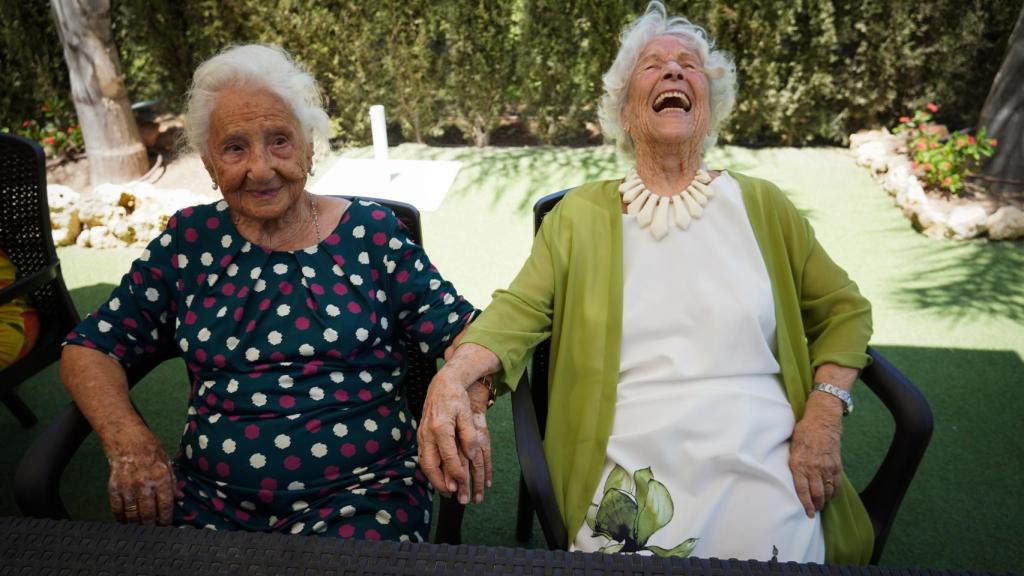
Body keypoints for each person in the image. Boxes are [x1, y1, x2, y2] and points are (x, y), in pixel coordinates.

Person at [418, 2, 873, 564]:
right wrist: (455, 376)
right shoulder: (579, 216)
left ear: (709, 107)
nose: (674, 71)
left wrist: (824, 413)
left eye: (688, 64)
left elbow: (844, 309)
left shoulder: (763, 206)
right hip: (629, 454)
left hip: (763, 448)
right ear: (626, 114)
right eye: (652, 66)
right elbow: (519, 310)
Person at [61, 44, 480, 542]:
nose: (260, 169)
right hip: (209, 500)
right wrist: (127, 436)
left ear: (309, 147)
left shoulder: (370, 232)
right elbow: (89, 348)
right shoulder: (188, 242)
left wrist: (454, 384)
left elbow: (468, 331)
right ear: (210, 165)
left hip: (364, 495)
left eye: (280, 141)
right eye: (234, 148)